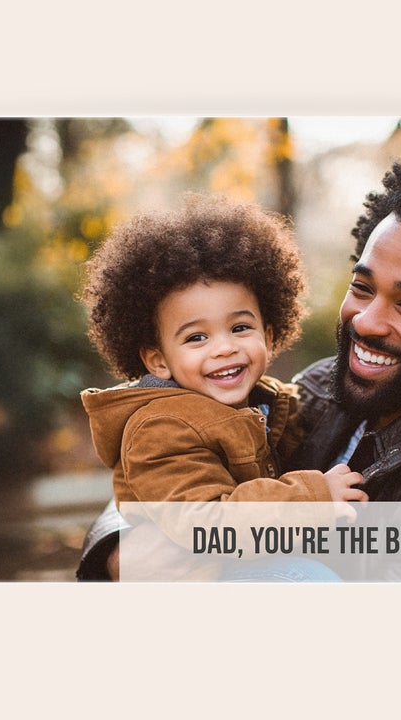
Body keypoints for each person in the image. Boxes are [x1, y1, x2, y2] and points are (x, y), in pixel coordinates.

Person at [78, 149, 401, 581]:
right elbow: (168, 480)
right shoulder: (319, 390)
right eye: (363, 288)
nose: (367, 321)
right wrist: (120, 552)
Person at [78, 194, 365, 580]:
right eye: (196, 337)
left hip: (239, 568)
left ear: (269, 334)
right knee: (307, 579)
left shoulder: (271, 401)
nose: (224, 348)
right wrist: (314, 497)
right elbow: (210, 525)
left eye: (240, 327)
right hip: (199, 580)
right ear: (158, 360)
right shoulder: (160, 428)